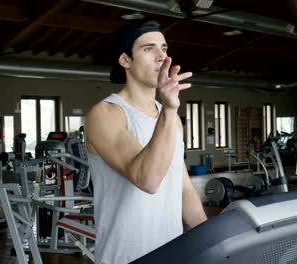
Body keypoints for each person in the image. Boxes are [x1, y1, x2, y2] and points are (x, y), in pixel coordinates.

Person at [85, 20, 207, 264]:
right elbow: (147, 179)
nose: (161, 56)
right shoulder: (106, 114)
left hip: (172, 255)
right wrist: (170, 110)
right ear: (125, 60)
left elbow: (183, 188)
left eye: (164, 48)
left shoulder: (171, 118)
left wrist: (214, 241)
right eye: (148, 48)